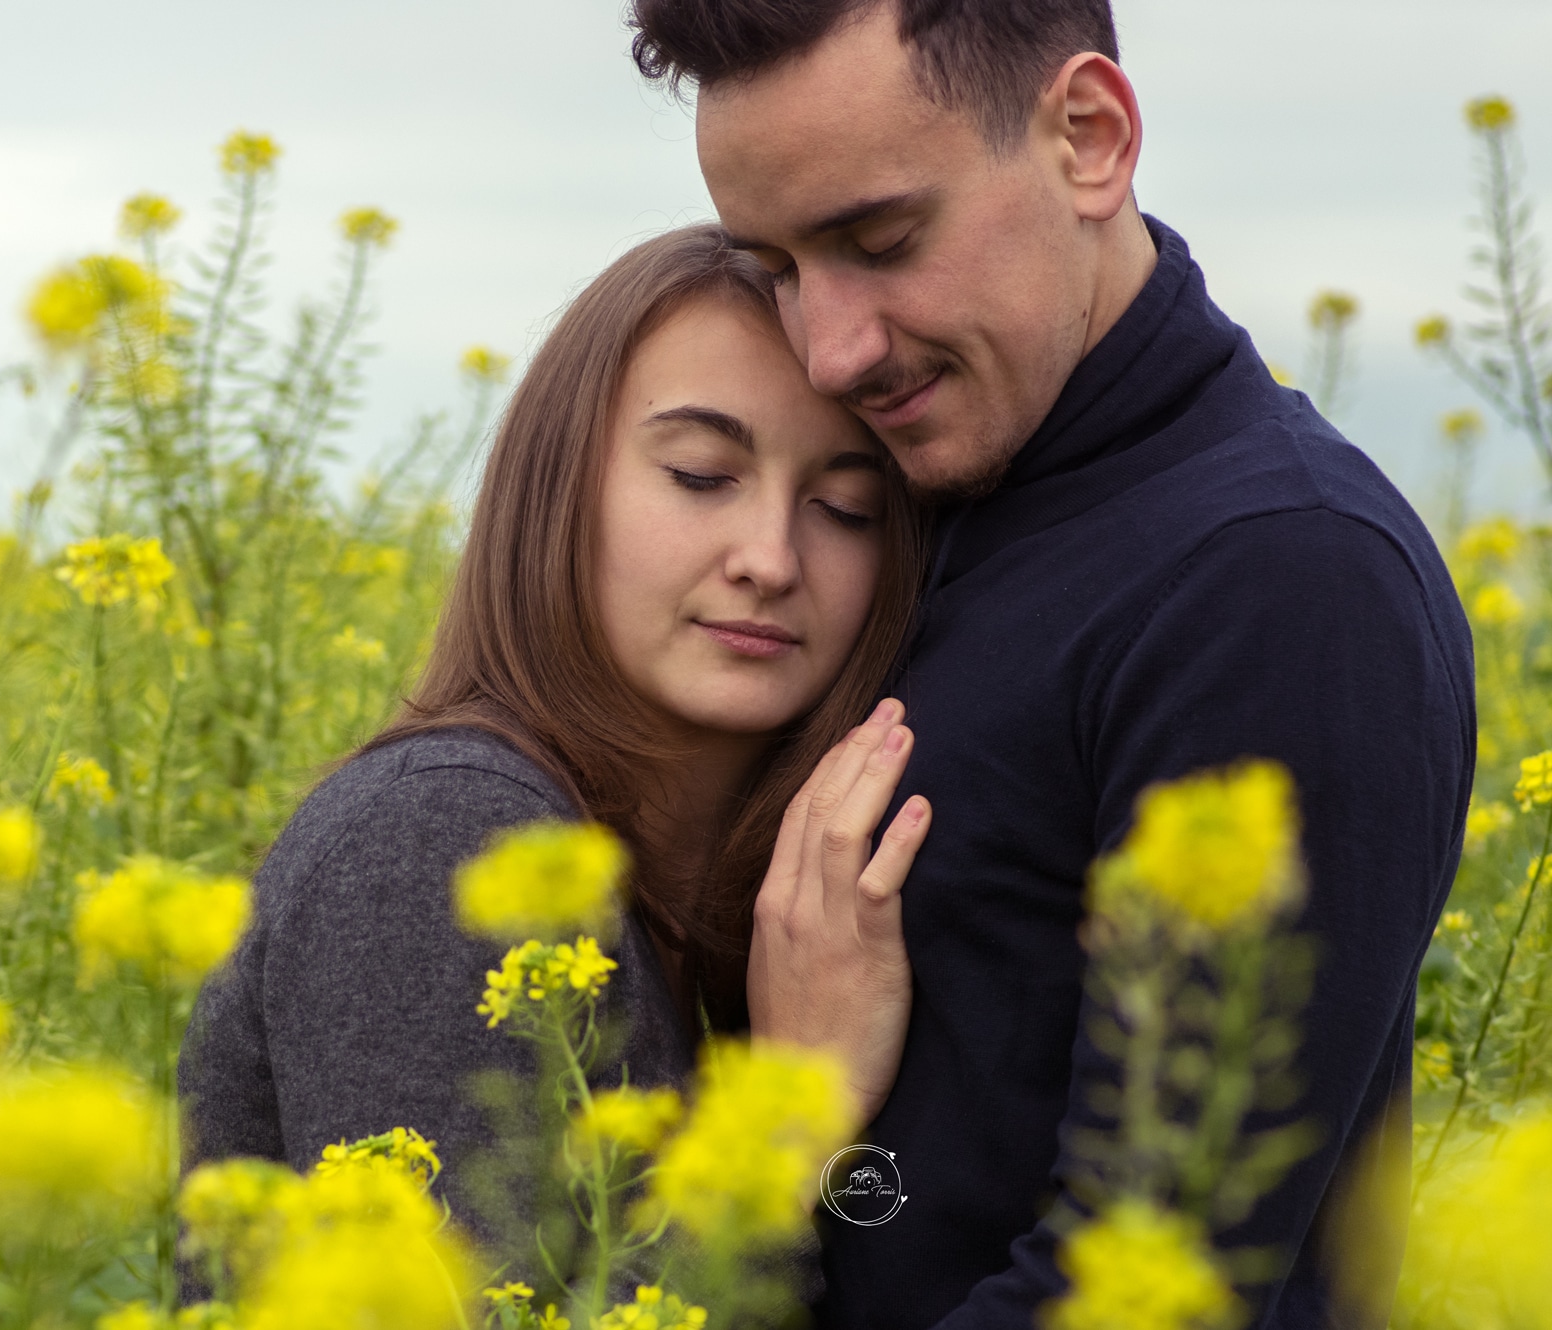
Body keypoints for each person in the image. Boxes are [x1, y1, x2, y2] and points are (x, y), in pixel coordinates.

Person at [626, 2, 1475, 1328]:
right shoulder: (906, 505)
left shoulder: (1278, 577)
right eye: (782, 267)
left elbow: (1145, 1281)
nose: (830, 346)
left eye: (881, 239)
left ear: (1091, 137)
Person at [176, 225, 931, 1272]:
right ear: (557, 484)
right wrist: (798, 1111)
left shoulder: (731, 906)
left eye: (843, 507)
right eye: (700, 473)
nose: (769, 558)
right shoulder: (440, 835)